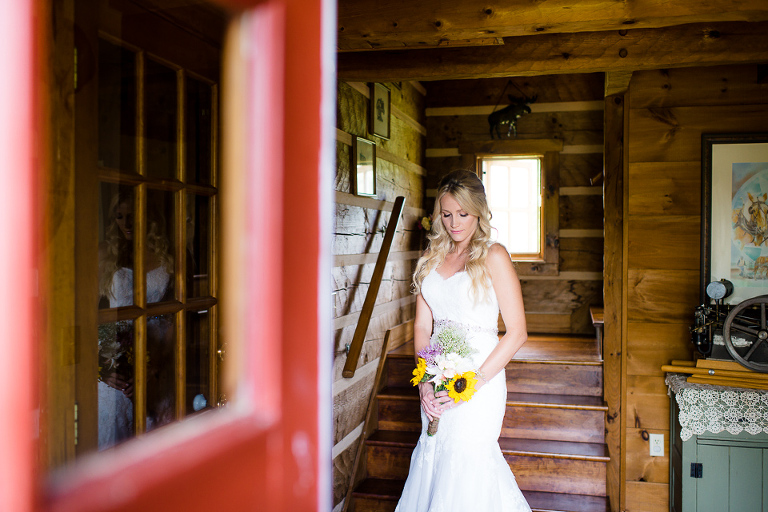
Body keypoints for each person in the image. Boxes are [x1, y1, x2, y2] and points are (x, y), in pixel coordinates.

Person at [395, 170, 532, 511]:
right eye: (446, 214)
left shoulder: (494, 256)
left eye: (463, 214)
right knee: (435, 456)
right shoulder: (430, 259)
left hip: (479, 380)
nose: (454, 223)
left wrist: (471, 382)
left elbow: (517, 332)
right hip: (436, 375)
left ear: (479, 212)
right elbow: (423, 330)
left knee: (468, 462)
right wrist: (425, 383)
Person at [97, 188, 175, 449]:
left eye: (133, 215)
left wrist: (154, 368)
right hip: (115, 368)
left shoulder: (168, 257)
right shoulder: (104, 255)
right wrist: (103, 367)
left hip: (154, 364)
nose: (126, 224)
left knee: (152, 450)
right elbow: (90, 315)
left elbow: (172, 321)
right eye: (119, 216)